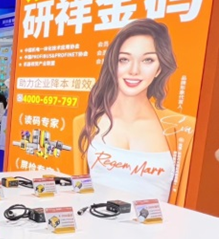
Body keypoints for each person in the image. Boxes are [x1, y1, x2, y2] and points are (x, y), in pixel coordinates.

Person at [75, 19, 195, 204]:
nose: (134, 70)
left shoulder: (183, 129)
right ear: (113, 64)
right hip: (95, 220)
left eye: (147, 60)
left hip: (157, 223)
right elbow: (77, 190)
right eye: (124, 59)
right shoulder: (85, 123)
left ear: (159, 68)